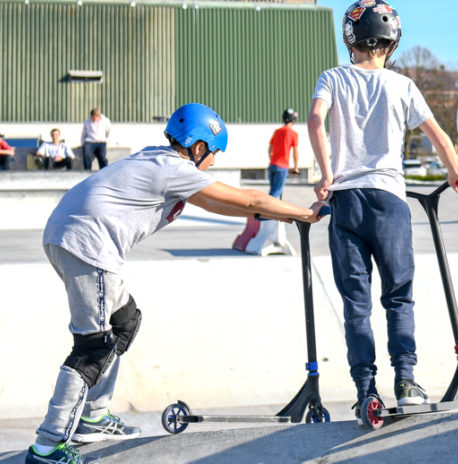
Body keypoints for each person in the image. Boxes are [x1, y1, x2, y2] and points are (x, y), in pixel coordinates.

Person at [29, 103, 320, 464]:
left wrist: (276, 213)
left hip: (68, 235)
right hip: (88, 245)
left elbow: (221, 205)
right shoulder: (175, 168)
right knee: (93, 347)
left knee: (124, 321)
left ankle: (93, 418)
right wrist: (304, 212)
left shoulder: (160, 160)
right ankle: (48, 444)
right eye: (213, 154)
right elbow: (245, 198)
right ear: (198, 148)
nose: (213, 163)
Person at [308, 0, 458, 424]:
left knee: (356, 303)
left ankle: (366, 391)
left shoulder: (333, 77)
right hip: (389, 200)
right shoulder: (403, 86)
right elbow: (437, 134)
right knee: (399, 296)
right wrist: (455, 173)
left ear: (351, 38)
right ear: (392, 41)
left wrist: (327, 175)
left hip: (346, 200)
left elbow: (314, 120)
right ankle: (406, 379)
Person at [233, 109, 301, 255]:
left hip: (273, 165)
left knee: (273, 193)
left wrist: (272, 159)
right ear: (293, 120)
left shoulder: (277, 132)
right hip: (283, 166)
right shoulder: (293, 134)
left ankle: (271, 224)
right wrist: (295, 166)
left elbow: (270, 148)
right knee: (275, 196)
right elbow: (295, 152)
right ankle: (269, 222)